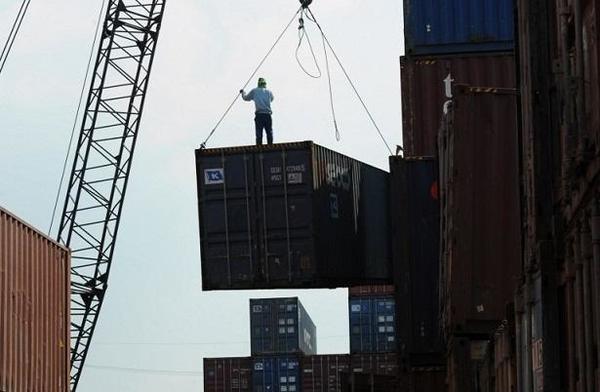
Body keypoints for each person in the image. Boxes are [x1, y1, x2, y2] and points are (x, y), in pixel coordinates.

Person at [240, 77, 275, 145]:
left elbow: (246, 98)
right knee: (269, 132)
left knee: (259, 133)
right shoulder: (269, 92)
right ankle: (270, 146)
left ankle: (259, 147)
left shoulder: (255, 91)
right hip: (268, 115)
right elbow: (272, 99)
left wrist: (243, 93)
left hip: (259, 115)